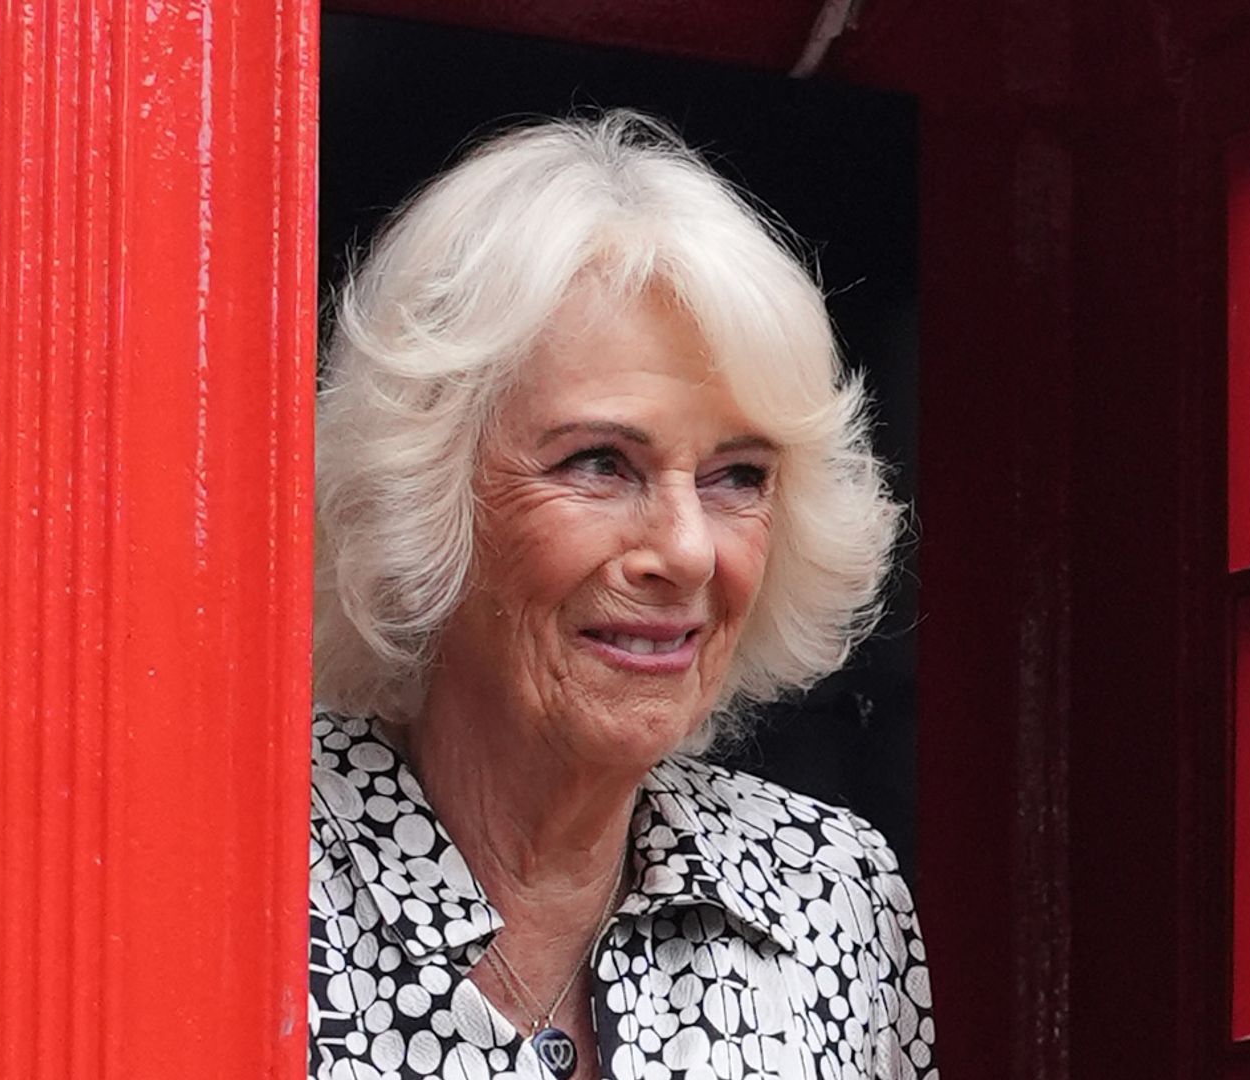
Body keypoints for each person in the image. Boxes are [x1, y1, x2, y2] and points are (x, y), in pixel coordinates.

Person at [310, 111, 934, 1080]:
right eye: (601, 463)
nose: (686, 551)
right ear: (424, 491)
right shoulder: (245, 870)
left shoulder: (835, 896)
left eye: (737, 476)